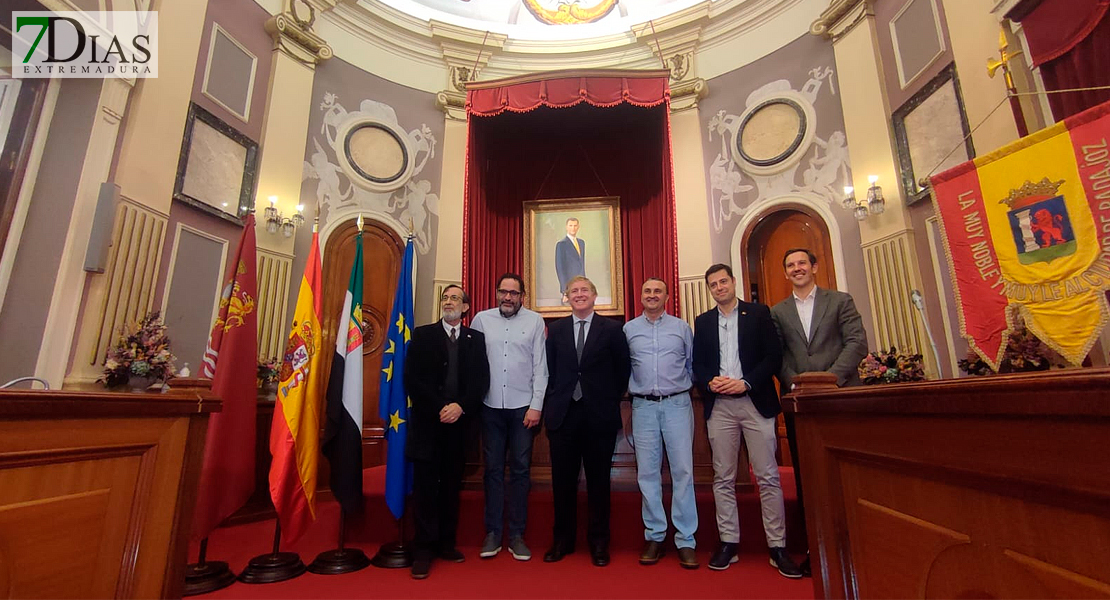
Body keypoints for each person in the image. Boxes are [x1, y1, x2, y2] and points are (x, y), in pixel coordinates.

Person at [691, 263, 802, 578]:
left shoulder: (758, 313)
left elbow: (773, 357)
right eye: (713, 285)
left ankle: (777, 546)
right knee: (723, 478)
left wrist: (746, 382)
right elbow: (698, 362)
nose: (719, 288)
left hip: (754, 402)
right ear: (709, 289)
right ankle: (728, 541)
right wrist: (709, 381)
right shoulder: (703, 321)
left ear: (733, 282)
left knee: (768, 476)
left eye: (723, 281)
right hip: (721, 407)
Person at [770, 248, 868, 577]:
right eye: (790, 265)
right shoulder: (778, 311)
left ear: (814, 267)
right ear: (785, 273)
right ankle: (817, 549)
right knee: (807, 477)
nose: (797, 269)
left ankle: (858, 545)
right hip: (800, 405)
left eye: (801, 263)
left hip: (839, 401)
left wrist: (829, 381)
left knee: (846, 475)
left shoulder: (840, 301)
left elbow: (856, 343)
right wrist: (797, 384)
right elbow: (779, 355)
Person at [542, 275, 630, 567]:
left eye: (584, 290)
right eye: (573, 291)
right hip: (563, 416)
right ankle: (561, 541)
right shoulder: (555, 330)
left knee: (598, 483)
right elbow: (551, 370)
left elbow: (622, 371)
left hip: (599, 416)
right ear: (566, 297)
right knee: (562, 483)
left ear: (595, 295)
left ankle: (599, 543)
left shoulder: (613, 329)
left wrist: (604, 397)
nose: (579, 294)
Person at [404, 285, 490, 579]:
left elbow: (481, 382)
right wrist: (441, 407)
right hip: (429, 423)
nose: (449, 301)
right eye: (445, 297)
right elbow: (412, 380)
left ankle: (446, 543)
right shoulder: (423, 334)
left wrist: (460, 407)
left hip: (460, 426)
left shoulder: (475, 339)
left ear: (466, 307)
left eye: (455, 298)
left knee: (452, 486)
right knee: (426, 487)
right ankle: (423, 549)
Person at [470, 273, 548, 561]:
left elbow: (541, 366)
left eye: (513, 293)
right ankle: (492, 532)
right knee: (491, 471)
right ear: (496, 292)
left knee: (520, 471)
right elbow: (473, 363)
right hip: (489, 406)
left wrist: (536, 405)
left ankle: (516, 534)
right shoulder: (481, 319)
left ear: (522, 297)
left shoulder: (535, 321)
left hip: (522, 408)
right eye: (503, 292)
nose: (507, 297)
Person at [623, 278, 699, 569]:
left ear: (667, 296)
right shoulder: (629, 329)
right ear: (640, 296)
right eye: (647, 291)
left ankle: (686, 539)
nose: (652, 295)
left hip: (677, 404)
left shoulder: (681, 328)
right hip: (642, 406)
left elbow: (691, 365)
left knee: (683, 471)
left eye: (658, 291)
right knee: (648, 474)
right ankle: (655, 535)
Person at [555, 217, 586, 303]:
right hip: (569, 288)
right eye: (571, 225)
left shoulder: (581, 243)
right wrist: (565, 291)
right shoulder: (561, 244)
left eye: (575, 226)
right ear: (566, 227)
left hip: (581, 285)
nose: (573, 228)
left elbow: (581, 265)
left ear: (578, 227)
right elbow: (560, 268)